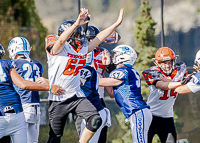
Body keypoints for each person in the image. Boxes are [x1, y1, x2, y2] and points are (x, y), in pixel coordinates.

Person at [45, 7, 124, 143]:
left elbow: (99, 38)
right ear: (68, 35)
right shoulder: (57, 48)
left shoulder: (81, 50)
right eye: (76, 36)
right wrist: (76, 23)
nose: (80, 38)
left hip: (76, 97)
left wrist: (116, 24)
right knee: (54, 138)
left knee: (95, 120)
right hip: (58, 98)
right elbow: (61, 41)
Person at [0, 44, 64, 143]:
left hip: (7, 111)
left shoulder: (13, 63)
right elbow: (23, 84)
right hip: (20, 112)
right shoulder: (8, 63)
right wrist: (49, 87)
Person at [99, 45, 152, 143]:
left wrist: (92, 70)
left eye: (115, 55)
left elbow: (101, 82)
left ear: (122, 56)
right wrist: (102, 73)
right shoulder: (127, 71)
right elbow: (111, 93)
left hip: (137, 111)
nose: (113, 57)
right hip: (137, 112)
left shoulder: (123, 71)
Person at [142, 47, 188, 143]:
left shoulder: (180, 70)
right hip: (150, 117)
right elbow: (162, 86)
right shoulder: (152, 72)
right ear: (158, 63)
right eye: (164, 63)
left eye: (169, 62)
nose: (168, 65)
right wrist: (181, 82)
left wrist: (173, 81)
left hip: (167, 118)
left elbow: (189, 82)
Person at [7, 36, 43, 143]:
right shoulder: (37, 65)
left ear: (14, 49)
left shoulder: (12, 64)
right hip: (36, 107)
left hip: (21, 106)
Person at [75, 51, 111, 143]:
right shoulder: (89, 69)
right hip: (92, 110)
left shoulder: (86, 69)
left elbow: (75, 83)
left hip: (92, 111)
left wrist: (49, 83)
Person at [85, 25, 111, 143]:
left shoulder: (103, 54)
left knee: (102, 132)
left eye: (94, 39)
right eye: (89, 39)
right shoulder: (81, 54)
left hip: (99, 98)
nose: (92, 42)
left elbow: (110, 74)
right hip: (85, 99)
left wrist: (109, 65)